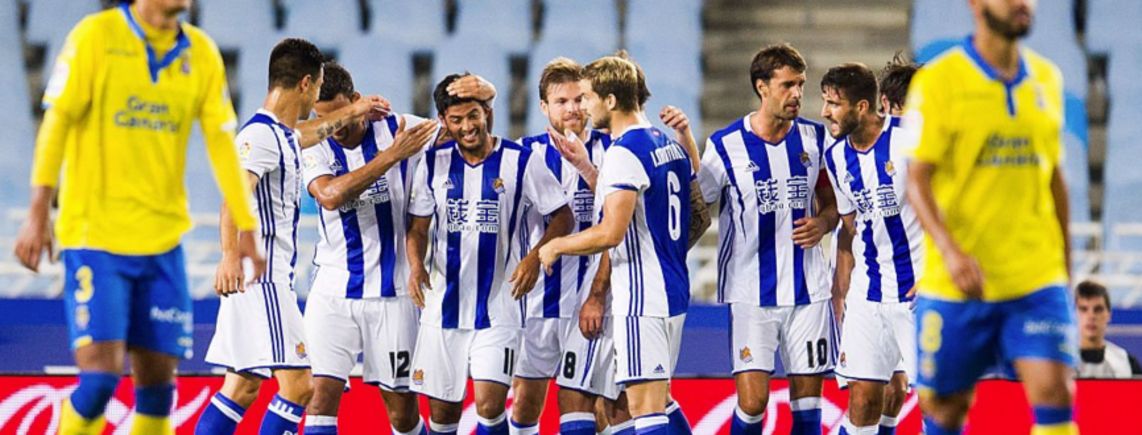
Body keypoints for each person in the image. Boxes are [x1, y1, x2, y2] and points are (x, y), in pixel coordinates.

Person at [12, 0, 264, 432]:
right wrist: (39, 211)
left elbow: (223, 147)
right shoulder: (95, 37)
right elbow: (56, 125)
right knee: (99, 381)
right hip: (96, 238)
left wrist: (247, 228)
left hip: (163, 245)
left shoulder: (201, 53)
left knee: (158, 391)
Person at [195, 39, 391, 435]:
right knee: (300, 387)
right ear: (305, 83)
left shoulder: (278, 133)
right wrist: (229, 255)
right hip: (263, 280)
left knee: (242, 387)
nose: (317, 98)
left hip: (262, 281)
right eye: (317, 87)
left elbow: (307, 134)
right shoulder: (260, 137)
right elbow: (234, 197)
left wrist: (355, 109)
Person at [903, 0, 1080, 434]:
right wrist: (951, 252)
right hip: (959, 282)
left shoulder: (1047, 78)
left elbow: (1054, 177)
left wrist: (1065, 264)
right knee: (946, 408)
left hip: (1034, 277)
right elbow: (917, 179)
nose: (1023, 4)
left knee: (1055, 393)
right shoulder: (939, 82)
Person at [539, 55, 708, 435]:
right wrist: (588, 168)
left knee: (644, 410)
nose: (583, 107)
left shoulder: (623, 152)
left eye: (587, 97)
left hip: (641, 299)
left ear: (611, 101)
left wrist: (556, 246)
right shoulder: (667, 145)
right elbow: (698, 218)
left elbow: (611, 232)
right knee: (660, 400)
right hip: (673, 292)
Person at [406, 72, 573, 435]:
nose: (467, 127)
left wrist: (534, 257)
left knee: (490, 405)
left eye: (474, 116)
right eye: (457, 119)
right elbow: (417, 227)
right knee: (443, 415)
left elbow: (563, 216)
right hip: (443, 307)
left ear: (488, 113)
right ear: (443, 121)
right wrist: (416, 266)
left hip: (500, 305)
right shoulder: (432, 163)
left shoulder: (522, 160)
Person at [697, 43, 838, 435]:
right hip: (750, 293)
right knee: (753, 402)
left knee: (808, 408)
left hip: (808, 290)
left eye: (801, 85)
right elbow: (697, 208)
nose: (797, 94)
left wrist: (823, 224)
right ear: (762, 87)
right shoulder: (725, 146)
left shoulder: (815, 139)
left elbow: (831, 204)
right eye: (787, 85)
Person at [510, 57, 618, 435]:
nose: (572, 108)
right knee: (525, 404)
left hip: (590, 301)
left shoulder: (613, 150)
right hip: (535, 302)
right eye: (561, 101)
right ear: (544, 107)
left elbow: (619, 228)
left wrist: (598, 295)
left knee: (588, 403)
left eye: (578, 99)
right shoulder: (523, 154)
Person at [819, 63, 922, 435]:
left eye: (834, 103)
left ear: (862, 107)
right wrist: (841, 288)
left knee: (935, 403)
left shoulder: (911, 140)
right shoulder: (835, 157)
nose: (825, 112)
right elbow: (850, 226)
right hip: (869, 292)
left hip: (917, 292)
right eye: (825, 102)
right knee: (862, 400)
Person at [1075, 280, 1142, 378]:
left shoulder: (1127, 363)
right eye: (1083, 309)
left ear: (1109, 314)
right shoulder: (1059, 363)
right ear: (1072, 314)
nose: (1091, 316)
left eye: (1098, 309)